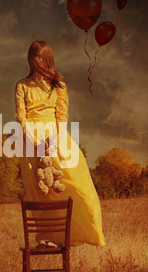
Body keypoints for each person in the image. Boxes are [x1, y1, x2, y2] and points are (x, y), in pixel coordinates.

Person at [15, 40, 105, 247]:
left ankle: (84, 232)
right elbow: (21, 116)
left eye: (40, 58)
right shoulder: (22, 85)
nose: (36, 62)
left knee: (76, 182)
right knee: (40, 192)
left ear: (47, 59)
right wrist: (33, 140)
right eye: (33, 58)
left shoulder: (58, 85)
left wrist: (54, 140)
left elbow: (62, 115)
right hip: (30, 141)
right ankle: (47, 238)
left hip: (56, 137)